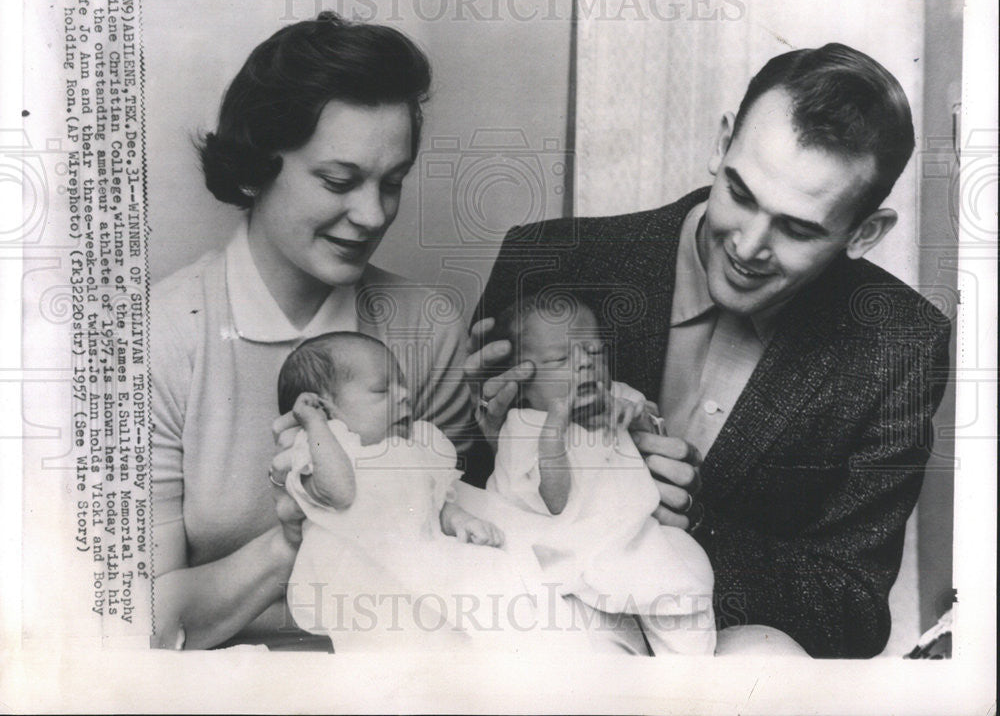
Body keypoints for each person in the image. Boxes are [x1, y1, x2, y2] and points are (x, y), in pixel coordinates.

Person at [469, 43, 951, 658]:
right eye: (741, 194)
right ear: (721, 144)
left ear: (866, 233)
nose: (749, 247)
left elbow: (852, 613)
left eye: (798, 228)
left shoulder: (899, 343)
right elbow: (444, 513)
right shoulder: (551, 266)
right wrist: (471, 437)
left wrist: (696, 528)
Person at [150, 12, 474, 650]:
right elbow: (138, 626)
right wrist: (290, 541)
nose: (372, 213)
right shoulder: (162, 337)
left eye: (393, 182)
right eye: (339, 181)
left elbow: (456, 573)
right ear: (255, 167)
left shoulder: (426, 329)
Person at [484, 292, 716, 655]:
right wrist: (553, 434)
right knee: (586, 636)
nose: (584, 365)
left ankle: (693, 673)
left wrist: (636, 416)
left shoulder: (616, 397)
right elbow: (554, 502)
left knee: (682, 588)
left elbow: (652, 431)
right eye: (560, 358)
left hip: (635, 534)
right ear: (523, 383)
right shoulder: (523, 426)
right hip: (569, 549)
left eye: (593, 352)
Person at [276, 332, 524, 650]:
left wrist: (460, 520)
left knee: (475, 604)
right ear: (323, 409)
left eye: (402, 384)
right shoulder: (322, 450)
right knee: (389, 647)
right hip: (360, 579)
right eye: (382, 390)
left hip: (419, 562)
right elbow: (340, 493)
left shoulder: (411, 447)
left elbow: (430, 500)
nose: (404, 394)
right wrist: (315, 426)